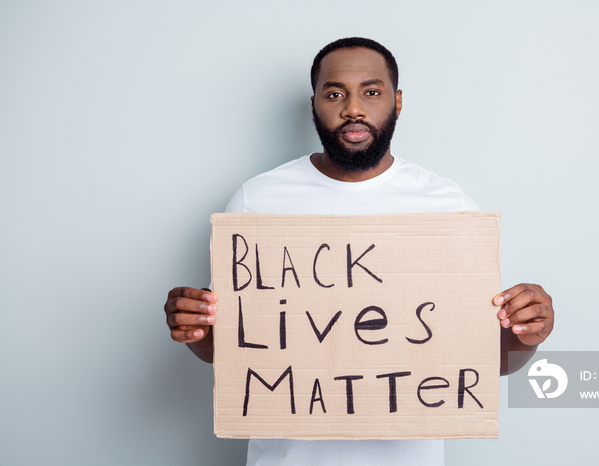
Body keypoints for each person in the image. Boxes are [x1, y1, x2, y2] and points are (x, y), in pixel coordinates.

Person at [164, 37, 554, 466]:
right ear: (314, 103)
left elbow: (483, 363)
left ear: (397, 102)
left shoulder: (448, 205)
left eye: (372, 91)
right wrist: (194, 327)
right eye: (335, 93)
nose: (353, 107)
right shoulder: (257, 199)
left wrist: (525, 337)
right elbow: (232, 351)